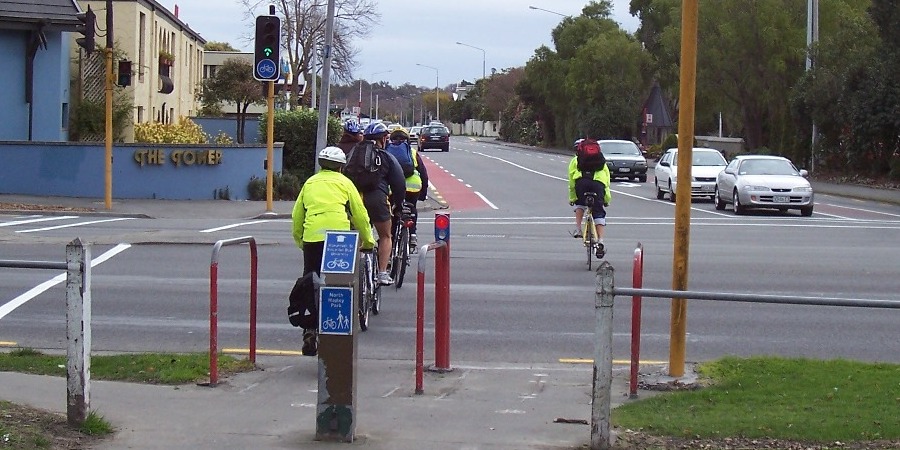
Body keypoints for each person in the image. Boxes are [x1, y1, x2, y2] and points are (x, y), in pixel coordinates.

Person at [292, 146, 375, 355]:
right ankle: (339, 328)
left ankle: (310, 328)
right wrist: (368, 241)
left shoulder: (310, 183)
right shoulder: (345, 183)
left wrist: (301, 240)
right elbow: (360, 215)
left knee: (311, 281)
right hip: (340, 241)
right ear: (341, 167)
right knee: (341, 282)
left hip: (312, 238)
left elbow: (297, 216)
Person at [352, 122, 406, 285]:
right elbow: (399, 184)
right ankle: (382, 273)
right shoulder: (386, 156)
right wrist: (398, 204)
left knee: (358, 236)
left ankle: (355, 270)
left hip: (356, 199)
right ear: (383, 138)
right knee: (385, 236)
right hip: (377, 199)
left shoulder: (354, 153)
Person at [568, 139, 612, 258]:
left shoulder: (575, 161)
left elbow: (572, 182)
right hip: (598, 185)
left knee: (580, 204)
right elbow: (606, 182)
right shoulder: (601, 161)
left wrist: (573, 198)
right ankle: (601, 241)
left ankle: (578, 229)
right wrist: (606, 200)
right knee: (598, 212)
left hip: (582, 184)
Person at [387, 128, 429, 252]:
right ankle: (413, 235)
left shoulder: (387, 152)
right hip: (413, 188)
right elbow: (424, 175)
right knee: (411, 208)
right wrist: (423, 194)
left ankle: (391, 243)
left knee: (394, 213)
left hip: (393, 188)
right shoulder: (412, 152)